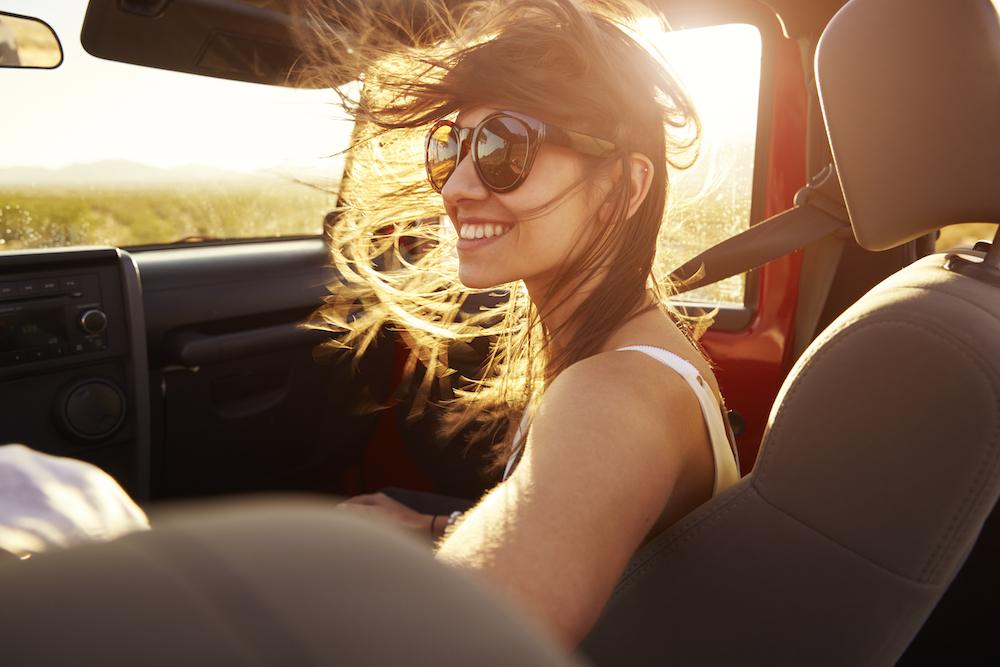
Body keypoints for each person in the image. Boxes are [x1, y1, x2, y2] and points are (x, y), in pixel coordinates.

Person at [297, 0, 740, 647]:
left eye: (506, 147)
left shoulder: (612, 395)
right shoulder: (620, 351)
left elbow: (465, 646)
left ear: (622, 188)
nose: (457, 189)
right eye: (450, 149)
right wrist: (439, 530)